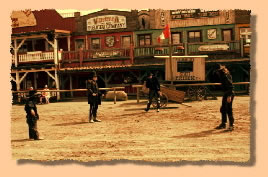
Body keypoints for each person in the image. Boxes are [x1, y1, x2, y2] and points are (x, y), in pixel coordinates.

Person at [214, 64, 235, 131]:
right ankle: (223, 123)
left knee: (229, 109)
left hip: (229, 93)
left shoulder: (225, 76)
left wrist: (229, 96)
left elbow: (230, 86)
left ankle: (231, 125)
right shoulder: (224, 75)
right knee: (223, 109)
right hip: (226, 93)